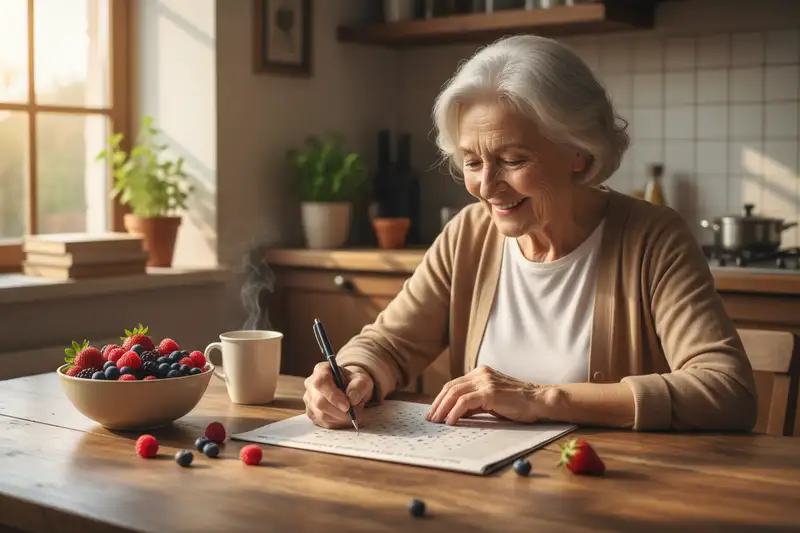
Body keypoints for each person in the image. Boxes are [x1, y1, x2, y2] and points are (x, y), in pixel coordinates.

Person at [302, 35, 758, 433]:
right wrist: (354, 373)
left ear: (579, 151)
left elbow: (727, 389)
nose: (486, 185)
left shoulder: (653, 239)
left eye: (513, 160)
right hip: (489, 488)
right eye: (472, 162)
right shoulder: (469, 234)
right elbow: (390, 344)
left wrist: (541, 399)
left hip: (613, 494)